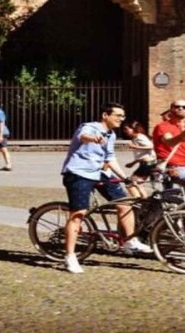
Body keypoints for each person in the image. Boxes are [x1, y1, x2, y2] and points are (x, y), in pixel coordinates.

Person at [61, 102, 151, 274]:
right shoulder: (90, 127)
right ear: (105, 115)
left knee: (125, 203)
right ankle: (70, 256)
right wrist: (93, 139)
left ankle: (129, 240)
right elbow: (83, 137)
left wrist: (125, 178)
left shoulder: (111, 135)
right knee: (78, 214)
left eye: (123, 116)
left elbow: (110, 160)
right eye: (118, 115)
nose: (121, 119)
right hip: (78, 173)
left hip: (99, 173)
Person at [122, 120, 154, 196]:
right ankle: (143, 201)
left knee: (131, 182)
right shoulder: (136, 137)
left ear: (133, 128)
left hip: (148, 164)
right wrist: (133, 163)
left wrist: (135, 146)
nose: (125, 131)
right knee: (138, 183)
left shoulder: (139, 137)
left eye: (126, 129)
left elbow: (150, 146)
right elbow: (142, 155)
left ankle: (138, 200)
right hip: (145, 163)